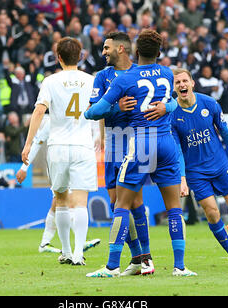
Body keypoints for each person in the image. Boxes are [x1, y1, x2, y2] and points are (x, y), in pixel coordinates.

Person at [85, 30, 196, 277]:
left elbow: (95, 111)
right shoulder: (168, 74)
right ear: (159, 52)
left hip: (140, 143)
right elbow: (179, 100)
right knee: (174, 208)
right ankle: (179, 266)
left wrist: (88, 113)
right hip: (164, 142)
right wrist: (166, 106)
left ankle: (113, 266)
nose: (104, 52)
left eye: (107, 47)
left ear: (134, 51)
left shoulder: (126, 78)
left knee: (121, 206)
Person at [169, 68, 228, 266]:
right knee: (212, 212)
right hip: (196, 172)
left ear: (192, 83)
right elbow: (177, 150)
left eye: (185, 81)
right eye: (177, 83)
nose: (182, 85)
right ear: (174, 87)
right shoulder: (172, 115)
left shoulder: (209, 103)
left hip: (220, 165)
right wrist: (183, 178)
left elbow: (226, 133)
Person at [21, 37, 97, 266]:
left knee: (61, 199)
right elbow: (101, 109)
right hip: (83, 145)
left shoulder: (51, 81)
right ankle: (77, 253)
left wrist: (28, 143)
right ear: (81, 56)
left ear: (59, 58)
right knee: (81, 201)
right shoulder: (91, 80)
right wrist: (100, 137)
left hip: (58, 147)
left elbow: (38, 112)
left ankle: (65, 250)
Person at [89, 32, 153, 276]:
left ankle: (143, 259)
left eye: (107, 48)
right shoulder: (102, 77)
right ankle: (137, 258)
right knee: (116, 203)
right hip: (113, 144)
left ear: (121, 49)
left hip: (135, 143)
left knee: (134, 202)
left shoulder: (140, 73)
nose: (103, 52)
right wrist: (115, 109)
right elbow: (93, 109)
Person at [16, 116, 100, 254]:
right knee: (65, 201)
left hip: (74, 163)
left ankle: (46, 242)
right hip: (57, 164)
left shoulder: (78, 120)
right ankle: (77, 243)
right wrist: (24, 168)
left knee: (59, 203)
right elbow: (38, 141)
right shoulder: (54, 120)